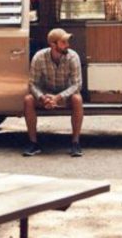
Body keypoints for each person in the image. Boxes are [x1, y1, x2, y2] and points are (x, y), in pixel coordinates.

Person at [22, 28, 84, 157]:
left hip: (64, 95)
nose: (67, 45)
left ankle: (75, 143)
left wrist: (58, 97)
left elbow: (77, 84)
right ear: (52, 44)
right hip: (45, 95)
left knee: (77, 99)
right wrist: (43, 98)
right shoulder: (39, 57)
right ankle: (33, 143)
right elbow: (32, 83)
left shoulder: (73, 56)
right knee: (28, 100)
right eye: (63, 42)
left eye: (67, 41)